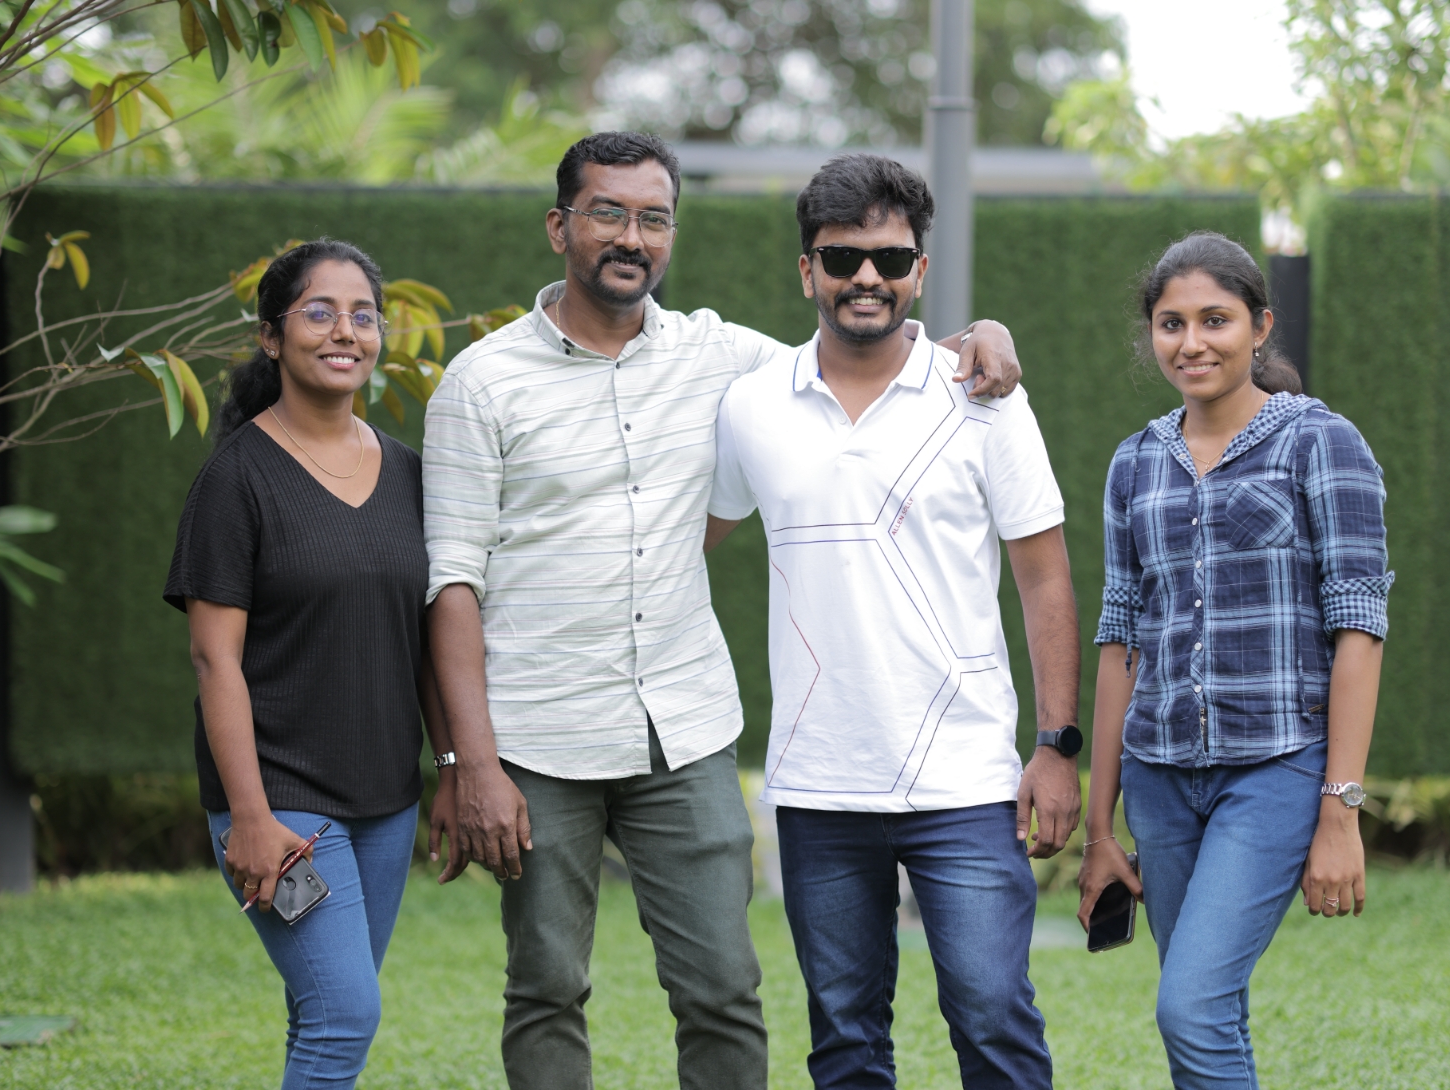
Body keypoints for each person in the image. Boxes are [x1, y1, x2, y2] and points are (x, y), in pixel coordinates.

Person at [421, 132, 1024, 1090]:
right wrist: (469, 763)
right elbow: (451, 582)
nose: (632, 236)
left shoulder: (726, 358)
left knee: (723, 991)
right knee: (545, 987)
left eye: (654, 218)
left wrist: (978, 334)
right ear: (559, 226)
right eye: (608, 213)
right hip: (538, 734)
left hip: (684, 728)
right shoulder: (480, 383)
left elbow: (863, 343)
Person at [704, 153, 1080, 1090]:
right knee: (845, 1042)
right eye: (841, 258)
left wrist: (1055, 746)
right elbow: (685, 544)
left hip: (966, 778)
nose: (865, 277)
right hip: (817, 782)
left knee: (994, 1020)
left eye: (890, 258)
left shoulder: (985, 396)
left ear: (920, 269)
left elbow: (1044, 579)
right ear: (807, 271)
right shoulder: (752, 405)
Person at [1077, 231, 1392, 1089]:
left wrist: (1341, 811)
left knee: (1190, 1007)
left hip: (1276, 770)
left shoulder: (1321, 443)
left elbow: (1359, 629)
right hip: (1159, 778)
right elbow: (1119, 641)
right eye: (1172, 323)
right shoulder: (1135, 463)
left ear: (1261, 326)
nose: (1193, 342)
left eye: (1215, 320)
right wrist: (1101, 830)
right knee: (1211, 1012)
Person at [165, 239, 460, 1089]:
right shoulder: (235, 481)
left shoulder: (407, 473)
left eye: (363, 315)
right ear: (271, 336)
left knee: (321, 1011)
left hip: (386, 801)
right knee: (345, 1014)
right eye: (319, 312)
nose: (345, 332)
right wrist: (250, 818)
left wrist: (447, 768)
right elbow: (214, 662)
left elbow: (426, 640)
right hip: (284, 804)